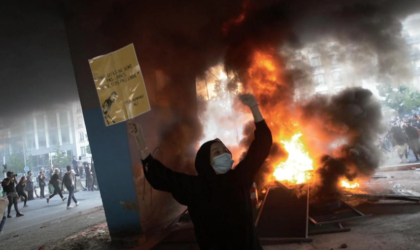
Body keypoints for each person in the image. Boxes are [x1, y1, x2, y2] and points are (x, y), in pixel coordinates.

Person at [128, 94, 272, 250]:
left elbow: (262, 144)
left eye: (225, 151)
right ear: (206, 162)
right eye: (217, 153)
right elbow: (159, 176)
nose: (224, 154)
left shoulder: (239, 177)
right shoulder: (194, 187)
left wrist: (254, 107)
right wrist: (140, 141)